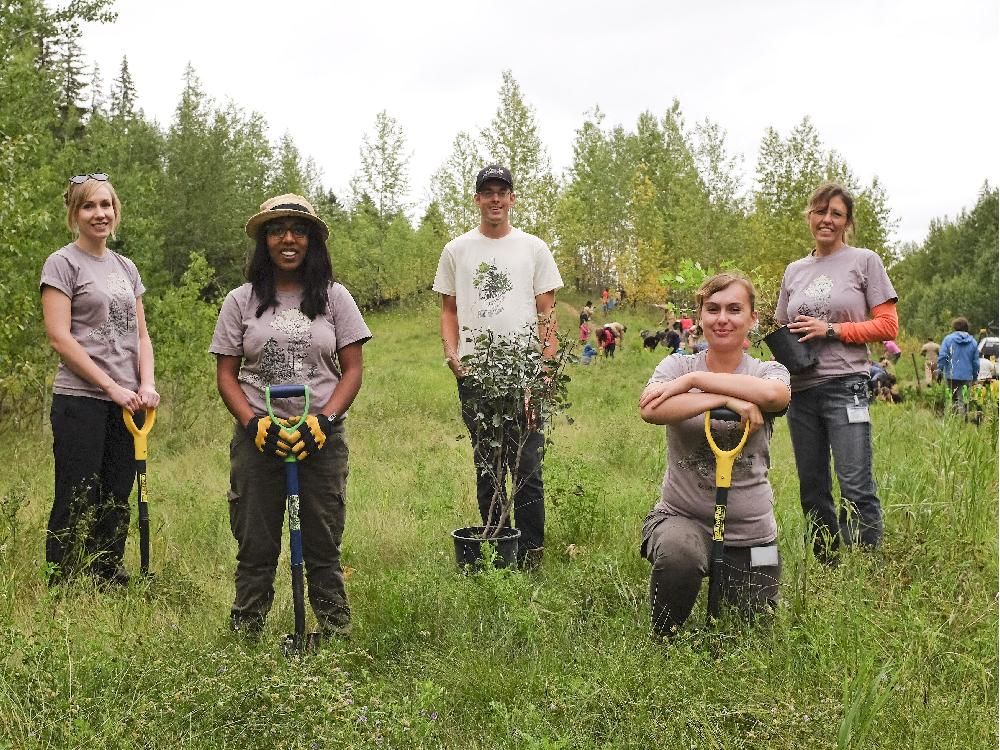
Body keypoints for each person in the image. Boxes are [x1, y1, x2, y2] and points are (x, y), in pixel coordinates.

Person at [210, 193, 371, 637]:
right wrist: (253, 422)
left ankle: (335, 634)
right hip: (259, 439)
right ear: (264, 240)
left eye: (298, 230)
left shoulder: (335, 298)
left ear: (312, 240)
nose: (288, 239)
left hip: (319, 437)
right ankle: (246, 634)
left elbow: (353, 370)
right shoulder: (240, 301)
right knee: (255, 544)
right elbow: (226, 375)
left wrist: (325, 421)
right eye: (276, 230)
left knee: (322, 543)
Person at [638, 273, 790, 635]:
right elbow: (651, 409)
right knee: (680, 556)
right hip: (682, 518)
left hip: (751, 530)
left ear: (752, 319)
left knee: (752, 631)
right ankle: (665, 637)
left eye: (735, 309)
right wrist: (724, 399)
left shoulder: (769, 370)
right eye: (713, 309)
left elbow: (774, 397)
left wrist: (696, 384)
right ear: (701, 316)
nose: (723, 318)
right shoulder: (676, 366)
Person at [433, 165, 563, 569]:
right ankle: (494, 546)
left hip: (524, 374)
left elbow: (547, 312)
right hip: (477, 375)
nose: (494, 199)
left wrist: (545, 369)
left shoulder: (533, 248)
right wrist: (454, 355)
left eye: (501, 192)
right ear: (477, 199)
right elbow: (449, 310)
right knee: (488, 464)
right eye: (487, 192)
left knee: (527, 465)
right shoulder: (457, 250)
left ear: (512, 199)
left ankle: (530, 555)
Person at [40, 172, 160, 585]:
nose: (100, 214)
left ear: (116, 211)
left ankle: (106, 574)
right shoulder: (63, 263)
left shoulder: (126, 267)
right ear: (75, 213)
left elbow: (141, 335)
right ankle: (63, 581)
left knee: (116, 493)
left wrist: (146, 385)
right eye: (89, 206)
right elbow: (59, 336)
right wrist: (109, 386)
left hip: (128, 402)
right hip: (81, 399)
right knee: (77, 493)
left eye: (106, 205)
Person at [777, 182, 898, 560]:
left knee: (854, 482)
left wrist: (831, 329)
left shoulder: (864, 261)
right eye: (819, 211)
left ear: (847, 222)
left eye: (836, 214)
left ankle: (864, 566)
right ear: (809, 216)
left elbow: (888, 326)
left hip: (847, 385)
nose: (826, 219)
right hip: (801, 389)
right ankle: (826, 563)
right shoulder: (794, 270)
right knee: (812, 485)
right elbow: (782, 324)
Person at [937, 317, 979, 414]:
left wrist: (939, 371)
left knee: (949, 398)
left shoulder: (948, 339)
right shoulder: (973, 342)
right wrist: (975, 377)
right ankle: (962, 422)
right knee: (963, 400)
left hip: (950, 376)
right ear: (966, 327)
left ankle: (949, 420)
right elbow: (976, 362)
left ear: (955, 327)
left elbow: (943, 356)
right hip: (967, 377)